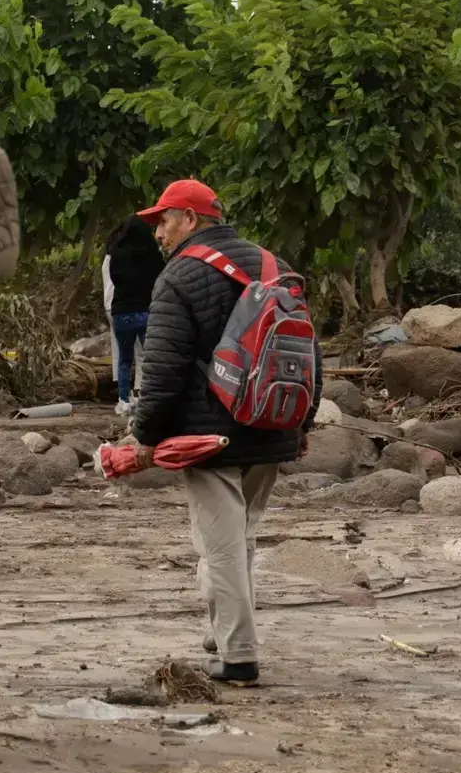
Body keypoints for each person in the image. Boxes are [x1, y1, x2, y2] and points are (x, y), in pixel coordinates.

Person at [129, 178, 319, 687]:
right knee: (240, 537)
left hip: (210, 435)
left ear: (191, 220)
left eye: (163, 221)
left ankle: (238, 657)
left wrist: (144, 435)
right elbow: (307, 353)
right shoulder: (276, 266)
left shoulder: (180, 276)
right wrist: (303, 422)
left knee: (222, 547)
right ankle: (223, 633)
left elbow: (163, 368)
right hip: (273, 422)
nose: (159, 234)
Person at [101, 213, 164, 415]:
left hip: (122, 313)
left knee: (125, 359)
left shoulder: (116, 254)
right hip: (147, 311)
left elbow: (114, 278)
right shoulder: (153, 254)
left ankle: (123, 400)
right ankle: (150, 397)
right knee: (150, 357)